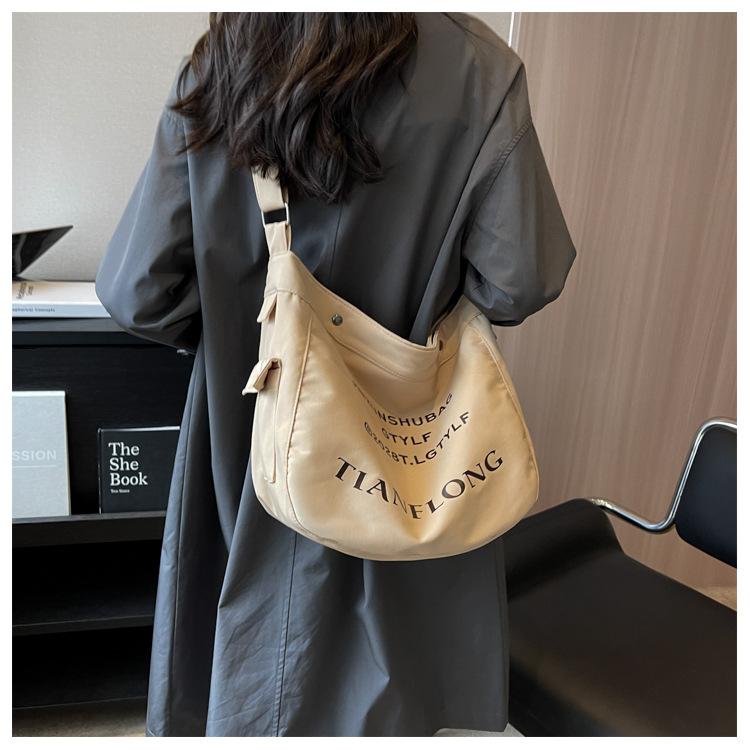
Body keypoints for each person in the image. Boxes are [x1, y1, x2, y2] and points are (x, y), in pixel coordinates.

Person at [95, 12, 577, 737]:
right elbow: (519, 281)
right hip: (407, 452)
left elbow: (139, 292)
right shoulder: (480, 68)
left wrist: (245, 335)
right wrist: (414, 311)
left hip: (245, 445)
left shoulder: (223, 61)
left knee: (253, 673)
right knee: (389, 685)